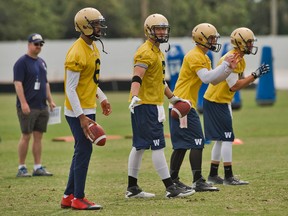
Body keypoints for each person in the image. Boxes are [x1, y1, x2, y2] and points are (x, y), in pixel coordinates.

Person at [126, 13, 195, 199]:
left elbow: (159, 81)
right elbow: (136, 76)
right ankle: (170, 187)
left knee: (139, 147)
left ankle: (132, 188)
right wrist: (134, 95)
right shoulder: (145, 52)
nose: (163, 32)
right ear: (149, 30)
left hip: (151, 103)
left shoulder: (157, 51)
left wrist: (173, 99)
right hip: (145, 104)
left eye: (164, 28)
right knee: (157, 146)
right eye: (158, 28)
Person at [168, 23, 240, 192]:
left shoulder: (203, 56)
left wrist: (228, 68)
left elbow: (215, 79)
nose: (214, 41)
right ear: (201, 39)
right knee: (197, 141)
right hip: (183, 104)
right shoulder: (195, 56)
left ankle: (175, 179)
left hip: (184, 103)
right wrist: (225, 66)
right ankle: (197, 180)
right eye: (211, 38)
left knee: (183, 145)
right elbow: (207, 78)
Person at [60, 7, 112, 210]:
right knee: (84, 150)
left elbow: (90, 82)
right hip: (77, 111)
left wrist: (102, 98)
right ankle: (78, 198)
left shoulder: (92, 47)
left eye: (99, 23)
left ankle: (68, 195)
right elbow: (70, 89)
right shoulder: (76, 51)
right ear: (84, 26)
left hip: (86, 107)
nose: (99, 27)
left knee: (81, 150)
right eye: (95, 24)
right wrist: (81, 116)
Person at [204, 27, 269, 185]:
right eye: (249, 42)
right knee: (227, 138)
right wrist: (255, 76)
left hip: (221, 101)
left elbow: (240, 82)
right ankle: (228, 176)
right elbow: (234, 86)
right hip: (217, 101)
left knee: (221, 139)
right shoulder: (232, 57)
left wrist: (252, 77)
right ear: (240, 43)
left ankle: (213, 174)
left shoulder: (240, 58)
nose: (251, 45)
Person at [13, 33, 56, 178]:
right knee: (26, 136)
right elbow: (18, 84)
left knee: (38, 137)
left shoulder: (42, 62)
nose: (38, 47)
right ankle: (22, 167)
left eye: (41, 44)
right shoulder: (21, 62)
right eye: (36, 44)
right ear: (29, 44)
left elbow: (45, 83)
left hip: (41, 106)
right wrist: (24, 103)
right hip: (28, 106)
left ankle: (38, 167)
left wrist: (50, 101)